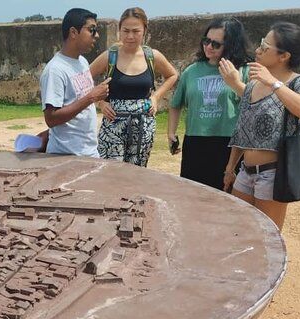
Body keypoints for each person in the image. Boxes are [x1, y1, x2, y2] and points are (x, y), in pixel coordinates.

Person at [223, 22, 300, 230]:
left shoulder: (299, 82)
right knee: (239, 231)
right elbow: (243, 129)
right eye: (260, 44)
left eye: (265, 47)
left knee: (268, 237)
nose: (257, 50)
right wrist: (231, 167)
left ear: (284, 56)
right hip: (245, 172)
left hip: (274, 173)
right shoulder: (254, 84)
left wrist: (274, 83)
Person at [167, 18, 251, 190]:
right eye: (206, 41)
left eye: (216, 44)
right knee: (193, 196)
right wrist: (171, 133)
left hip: (229, 144)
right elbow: (176, 104)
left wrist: (236, 83)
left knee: (226, 198)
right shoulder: (191, 71)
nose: (209, 47)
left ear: (231, 45)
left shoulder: (244, 70)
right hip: (195, 142)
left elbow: (255, 103)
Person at [90, 7, 178, 167]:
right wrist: (100, 103)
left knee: (137, 175)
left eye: (136, 31)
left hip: (143, 126)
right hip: (113, 124)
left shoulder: (152, 56)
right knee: (110, 173)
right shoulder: (110, 56)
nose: (130, 36)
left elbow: (172, 75)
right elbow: (83, 80)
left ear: (145, 30)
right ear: (119, 31)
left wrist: (156, 97)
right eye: (126, 31)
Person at [39, 8, 110, 157]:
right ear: (73, 32)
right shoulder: (55, 70)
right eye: (92, 30)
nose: (96, 35)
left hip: (88, 152)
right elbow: (51, 118)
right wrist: (91, 97)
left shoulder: (82, 62)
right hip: (65, 156)